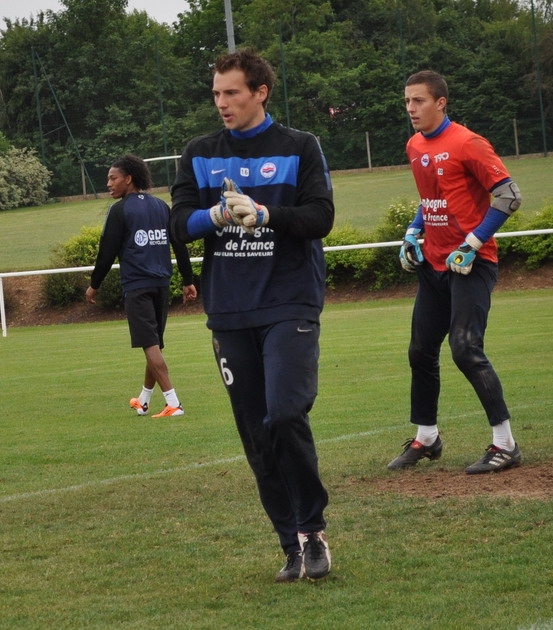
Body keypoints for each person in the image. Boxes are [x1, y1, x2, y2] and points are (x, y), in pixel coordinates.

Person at [169, 48, 334, 582]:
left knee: (284, 414)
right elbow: (177, 226)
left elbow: (321, 217)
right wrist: (216, 214)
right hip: (230, 311)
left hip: (289, 302)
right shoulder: (199, 154)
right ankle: (290, 545)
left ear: (260, 92)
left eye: (232, 92)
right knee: (257, 437)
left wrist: (265, 214)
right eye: (216, 94)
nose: (222, 103)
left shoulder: (299, 146)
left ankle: (313, 530)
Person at [386, 70, 523, 475]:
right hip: (433, 264)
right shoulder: (414, 145)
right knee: (420, 351)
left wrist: (473, 243)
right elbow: (431, 199)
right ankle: (427, 437)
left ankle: (506, 445)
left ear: (441, 102)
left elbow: (509, 196)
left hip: (471, 265)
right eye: (407, 101)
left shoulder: (468, 143)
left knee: (465, 349)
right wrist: (413, 232)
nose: (411, 108)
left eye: (419, 100)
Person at [86, 155, 197, 418]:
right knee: (154, 344)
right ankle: (144, 400)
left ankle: (173, 403)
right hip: (161, 283)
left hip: (137, 285)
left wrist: (94, 284)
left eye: (113, 178)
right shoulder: (161, 206)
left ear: (129, 179)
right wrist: (188, 280)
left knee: (150, 344)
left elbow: (106, 252)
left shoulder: (120, 210)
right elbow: (179, 244)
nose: (108, 183)